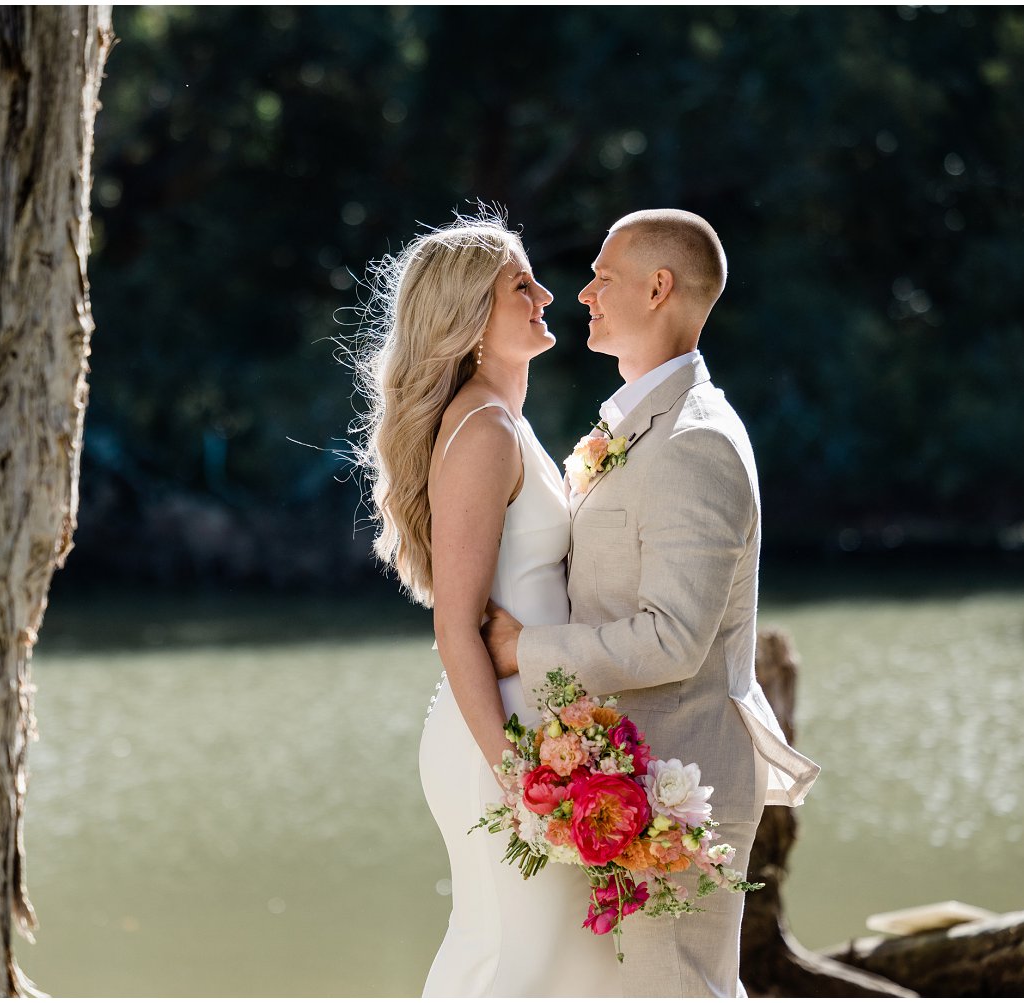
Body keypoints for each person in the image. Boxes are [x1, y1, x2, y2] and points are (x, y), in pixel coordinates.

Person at [482, 209, 821, 997]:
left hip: (681, 780)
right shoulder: (640, 425)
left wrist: (523, 648)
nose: (584, 293)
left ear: (658, 287)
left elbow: (673, 639)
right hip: (624, 772)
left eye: (603, 276)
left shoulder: (696, 440)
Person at [352, 212, 623, 997]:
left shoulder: (504, 421)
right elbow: (454, 623)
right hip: (500, 735)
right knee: (512, 964)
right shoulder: (483, 430)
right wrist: (514, 771)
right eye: (520, 286)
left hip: (535, 727)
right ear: (471, 316)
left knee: (548, 965)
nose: (546, 295)